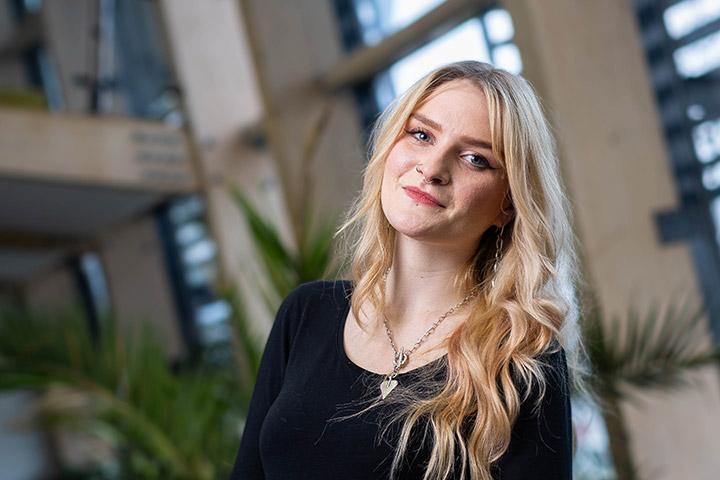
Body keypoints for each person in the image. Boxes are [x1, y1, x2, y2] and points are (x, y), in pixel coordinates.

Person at [230, 61, 579, 480]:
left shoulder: (522, 359)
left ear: (508, 203)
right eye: (421, 134)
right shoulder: (306, 313)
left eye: (474, 158)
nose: (432, 168)